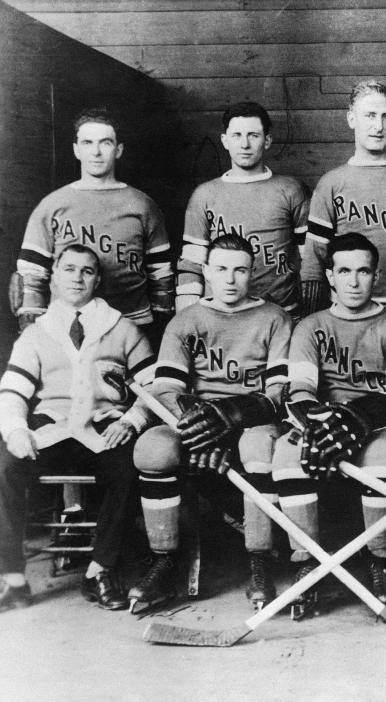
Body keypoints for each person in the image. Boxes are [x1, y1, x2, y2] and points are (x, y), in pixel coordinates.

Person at [276, 233, 386, 616]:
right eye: (345, 271)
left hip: (377, 426)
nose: (354, 281)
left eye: (363, 271)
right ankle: (307, 563)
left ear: (377, 275)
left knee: (383, 457)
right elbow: (300, 389)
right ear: (330, 277)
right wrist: (320, 424)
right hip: (323, 422)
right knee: (288, 454)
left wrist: (358, 418)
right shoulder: (310, 325)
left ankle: (380, 561)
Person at [131, 234, 292, 613]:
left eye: (240, 269)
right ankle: (165, 560)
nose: (230, 279)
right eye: (221, 269)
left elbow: (277, 394)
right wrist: (198, 432)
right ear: (205, 272)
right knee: (153, 447)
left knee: (258, 447)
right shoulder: (185, 320)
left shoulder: (274, 318)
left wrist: (231, 422)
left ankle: (260, 559)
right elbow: (167, 390)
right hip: (198, 422)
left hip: (250, 421)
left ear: (253, 272)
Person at [0, 244, 154, 612]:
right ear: (53, 276)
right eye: (68, 269)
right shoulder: (36, 333)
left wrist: (132, 420)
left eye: (87, 271)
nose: (77, 277)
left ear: (97, 279)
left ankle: (99, 570)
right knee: (5, 468)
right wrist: (16, 430)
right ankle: (14, 578)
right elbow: (12, 391)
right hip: (52, 430)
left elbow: (154, 389)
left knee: (129, 466)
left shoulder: (123, 329)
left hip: (102, 428)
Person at [13, 107, 173, 346]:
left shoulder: (142, 205)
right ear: (77, 150)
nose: (96, 152)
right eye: (87, 143)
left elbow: (161, 273)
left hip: (133, 325)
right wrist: (31, 330)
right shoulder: (52, 205)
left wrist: (161, 327)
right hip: (68, 329)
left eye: (105, 143)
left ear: (118, 150)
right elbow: (32, 274)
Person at [302, 81, 386, 318]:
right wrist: (311, 315)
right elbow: (314, 259)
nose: (378, 126)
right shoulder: (331, 183)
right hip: (349, 309)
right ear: (352, 119)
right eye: (370, 116)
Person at [176, 101, 310, 317]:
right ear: (225, 141)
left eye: (253, 135)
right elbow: (192, 263)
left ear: (267, 140)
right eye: (237, 135)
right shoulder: (205, 195)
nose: (245, 144)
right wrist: (189, 319)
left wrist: (306, 313)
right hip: (222, 316)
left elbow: (310, 259)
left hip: (282, 314)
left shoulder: (291, 190)